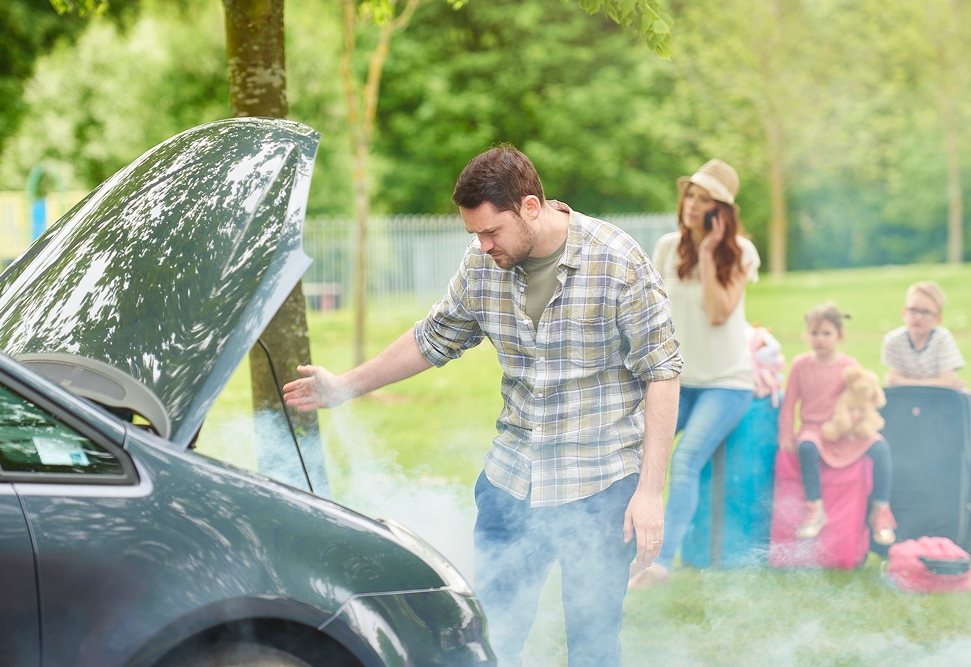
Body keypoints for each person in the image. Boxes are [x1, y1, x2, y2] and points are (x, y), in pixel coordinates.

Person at [282, 145, 683, 667]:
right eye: (475, 233)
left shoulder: (618, 260)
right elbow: (432, 338)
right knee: (488, 635)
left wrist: (650, 492)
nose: (482, 244)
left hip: (600, 485)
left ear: (532, 207)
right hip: (512, 482)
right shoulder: (482, 263)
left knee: (592, 641)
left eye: (491, 232)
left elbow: (663, 372)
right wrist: (344, 387)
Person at [629, 159, 759, 589]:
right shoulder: (667, 248)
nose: (692, 203)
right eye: (690, 193)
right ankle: (626, 550)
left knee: (683, 461)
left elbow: (720, 313)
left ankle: (660, 564)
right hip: (677, 382)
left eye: (705, 199)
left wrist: (707, 253)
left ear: (720, 211)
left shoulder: (740, 251)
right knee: (635, 453)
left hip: (726, 383)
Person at [779, 303, 896, 545]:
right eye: (814, 333)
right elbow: (789, 404)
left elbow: (858, 399)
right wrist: (786, 436)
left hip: (844, 431)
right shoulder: (801, 365)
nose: (819, 339)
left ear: (840, 336)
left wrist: (855, 417)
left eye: (826, 333)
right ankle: (815, 508)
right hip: (815, 430)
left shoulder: (848, 366)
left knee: (881, 447)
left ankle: (880, 510)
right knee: (807, 447)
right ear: (806, 335)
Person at [882, 280, 965, 390]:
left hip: (943, 400)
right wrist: (939, 383)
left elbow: (947, 384)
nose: (918, 317)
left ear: (938, 319)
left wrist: (904, 382)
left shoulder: (943, 339)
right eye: (913, 310)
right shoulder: (894, 341)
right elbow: (896, 385)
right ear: (904, 312)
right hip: (911, 398)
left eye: (926, 312)